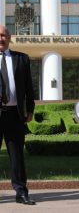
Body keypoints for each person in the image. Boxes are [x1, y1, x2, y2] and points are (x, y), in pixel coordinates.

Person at [0, 25, 35, 205]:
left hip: (15, 114)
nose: (1, 39)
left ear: (9, 37)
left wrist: (30, 109)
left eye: (4, 35)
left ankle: (20, 192)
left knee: (17, 156)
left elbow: (29, 86)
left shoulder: (21, 59)